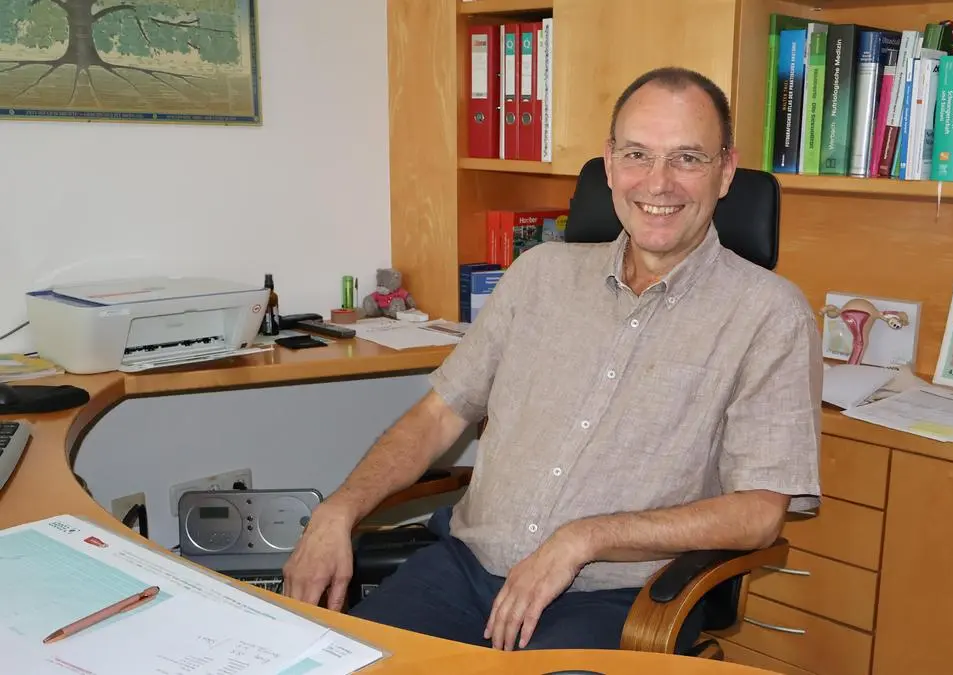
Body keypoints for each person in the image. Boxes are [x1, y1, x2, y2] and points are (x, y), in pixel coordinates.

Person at [282, 66, 822, 654]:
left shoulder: (770, 315)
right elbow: (438, 417)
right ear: (609, 164)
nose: (658, 182)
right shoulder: (538, 275)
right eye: (637, 154)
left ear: (726, 171)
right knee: (335, 661)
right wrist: (339, 510)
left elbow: (759, 513)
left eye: (687, 158)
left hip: (616, 598)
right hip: (465, 571)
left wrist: (584, 539)